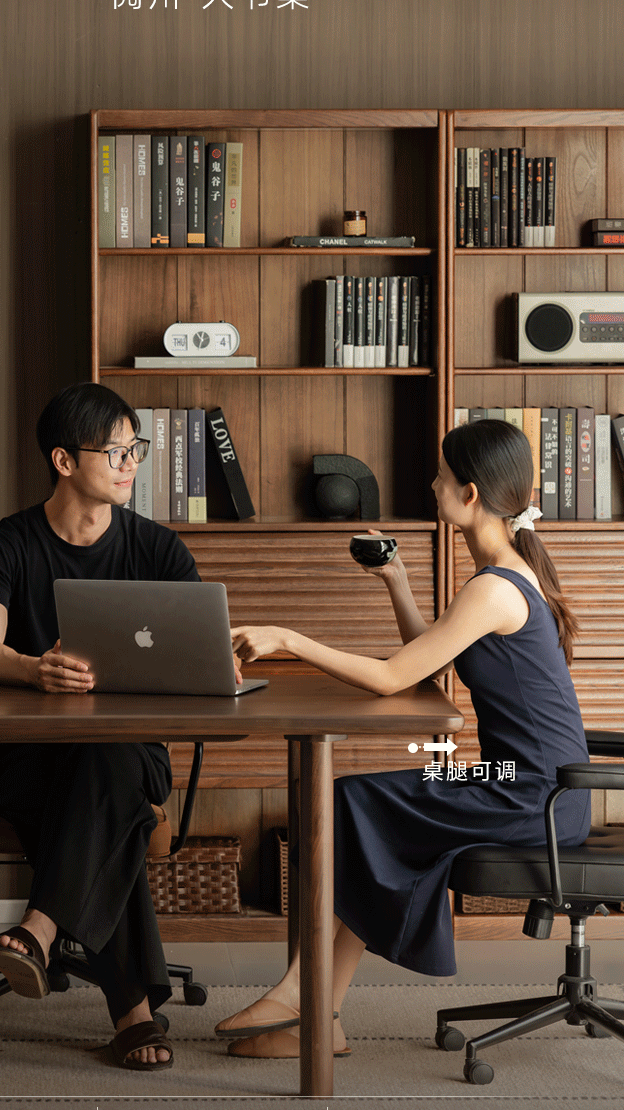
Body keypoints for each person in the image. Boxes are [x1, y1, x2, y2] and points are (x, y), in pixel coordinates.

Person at [217, 418, 591, 1059]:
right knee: (364, 809)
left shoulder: (495, 588)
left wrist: (288, 638)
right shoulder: (503, 574)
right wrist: (395, 579)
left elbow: (394, 677)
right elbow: (428, 656)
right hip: (522, 785)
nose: (433, 486)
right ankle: (317, 1011)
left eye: (442, 478)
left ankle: (306, 1000)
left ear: (470, 494)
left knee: (353, 802)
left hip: (529, 795)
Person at [0, 381, 202, 1070]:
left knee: (108, 763)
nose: (133, 463)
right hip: (25, 756)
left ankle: (39, 929)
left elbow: (197, 653)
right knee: (112, 806)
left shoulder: (159, 550)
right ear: (64, 461)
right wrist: (34, 668)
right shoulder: (2, 546)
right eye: (116, 451)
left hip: (127, 750)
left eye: (136, 449)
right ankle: (134, 1015)